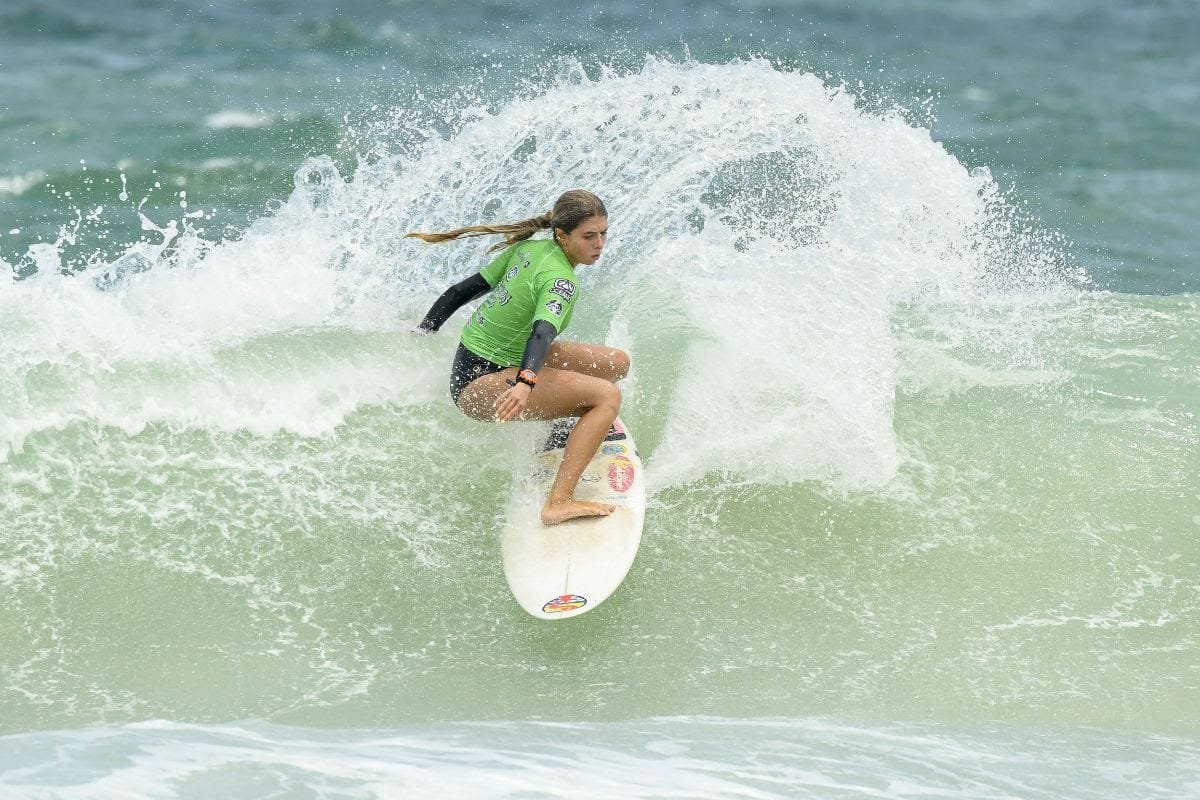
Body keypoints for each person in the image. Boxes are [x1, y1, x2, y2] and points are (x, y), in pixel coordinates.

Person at [410, 189, 630, 526]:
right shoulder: (560, 281)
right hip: (478, 385)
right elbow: (541, 333)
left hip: (490, 362)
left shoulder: (530, 250)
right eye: (589, 236)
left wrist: (422, 333)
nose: (599, 244)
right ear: (562, 236)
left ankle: (564, 425)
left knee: (616, 364)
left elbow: (458, 292)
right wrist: (527, 383)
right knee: (607, 397)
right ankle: (558, 503)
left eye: (603, 233)